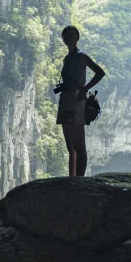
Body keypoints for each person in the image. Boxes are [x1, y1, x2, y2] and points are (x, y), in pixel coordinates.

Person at [56, 25, 105, 177]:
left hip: (76, 101)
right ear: (64, 40)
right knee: (70, 145)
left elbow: (100, 72)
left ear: (77, 38)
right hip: (66, 100)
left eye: (72, 35)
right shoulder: (68, 58)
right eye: (66, 36)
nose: (69, 38)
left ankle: (80, 180)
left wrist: (84, 89)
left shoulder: (81, 56)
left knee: (78, 144)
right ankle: (73, 178)